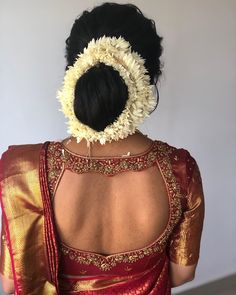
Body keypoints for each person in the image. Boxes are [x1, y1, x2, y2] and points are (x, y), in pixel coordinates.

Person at [0, 2, 204, 294]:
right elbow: (182, 274)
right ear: (148, 78)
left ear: (75, 74)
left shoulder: (25, 171)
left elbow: (11, 282)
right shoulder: (181, 169)